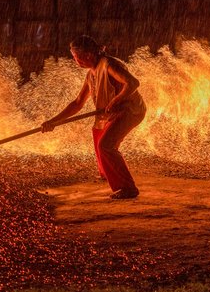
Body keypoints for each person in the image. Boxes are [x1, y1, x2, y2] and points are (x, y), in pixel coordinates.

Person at [41, 35, 146, 199]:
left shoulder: (109, 65)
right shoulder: (91, 74)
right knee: (98, 134)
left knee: (106, 145)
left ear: (89, 55)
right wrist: (53, 122)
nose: (76, 62)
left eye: (77, 57)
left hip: (131, 110)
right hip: (113, 113)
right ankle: (107, 173)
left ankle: (128, 188)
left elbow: (132, 83)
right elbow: (77, 103)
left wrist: (117, 100)